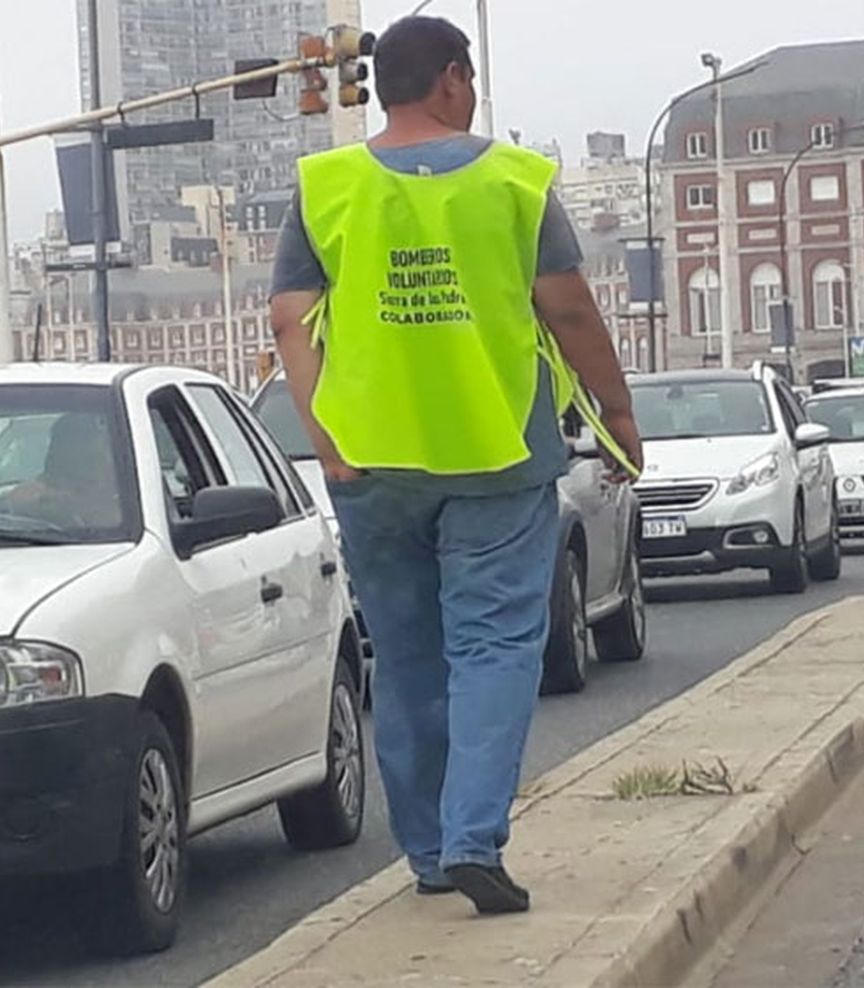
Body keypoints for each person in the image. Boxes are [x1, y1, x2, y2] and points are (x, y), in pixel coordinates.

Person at [269, 15, 641, 916]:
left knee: (403, 656)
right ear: (448, 80)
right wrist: (618, 415)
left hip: (371, 461)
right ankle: (476, 837)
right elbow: (571, 313)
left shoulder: (329, 186)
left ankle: (430, 852)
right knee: (495, 647)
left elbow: (289, 318)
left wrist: (324, 436)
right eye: (466, 79)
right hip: (495, 453)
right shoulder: (514, 183)